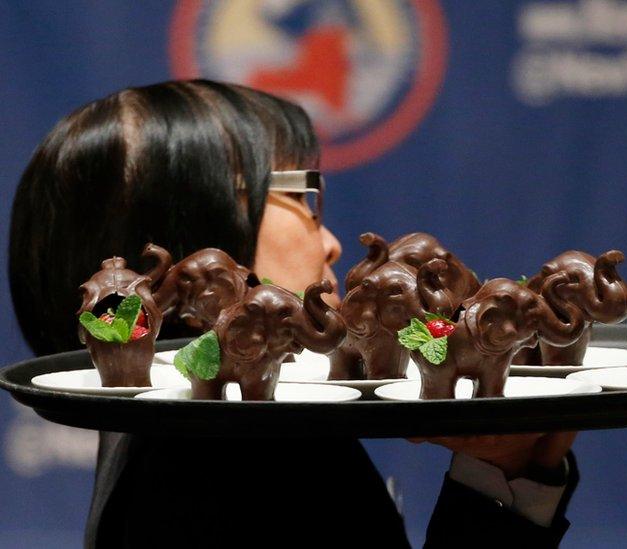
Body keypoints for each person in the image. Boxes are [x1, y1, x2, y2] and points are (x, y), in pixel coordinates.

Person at [9, 80, 577, 547]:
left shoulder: (200, 417)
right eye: (298, 197)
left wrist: (504, 470)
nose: (330, 241)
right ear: (197, 234)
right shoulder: (228, 455)